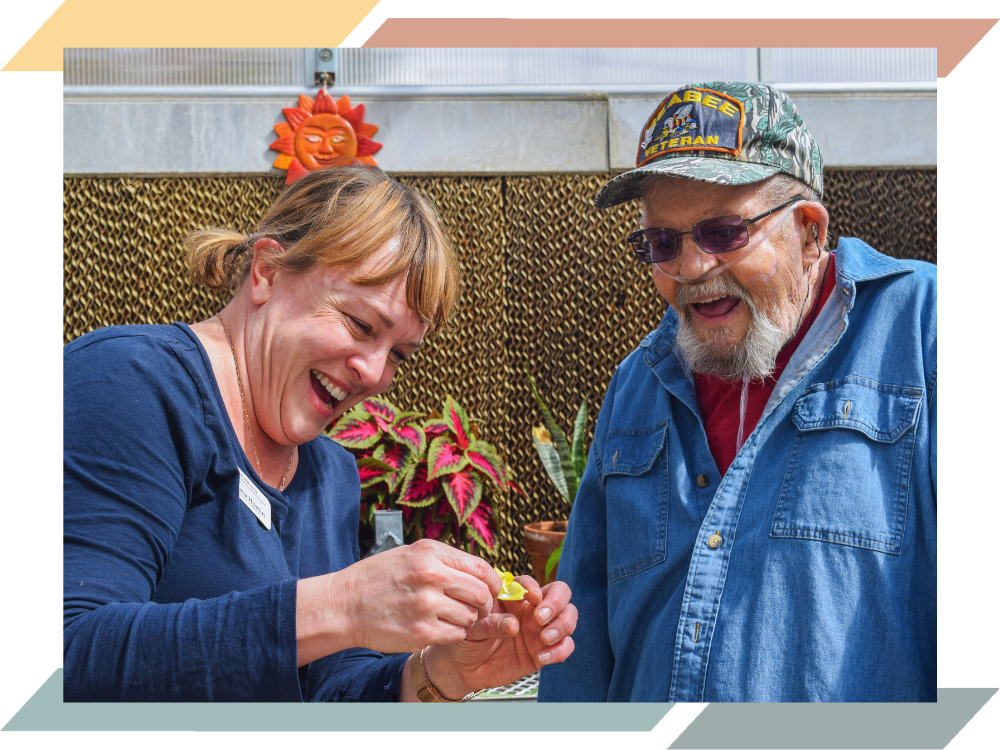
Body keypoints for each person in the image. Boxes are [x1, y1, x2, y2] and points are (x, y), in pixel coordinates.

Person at [63, 165, 577, 702]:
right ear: (265, 270)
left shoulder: (329, 473)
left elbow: (330, 693)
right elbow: (65, 659)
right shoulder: (128, 385)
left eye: (399, 354)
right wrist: (343, 605)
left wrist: (439, 675)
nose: (375, 374)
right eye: (360, 325)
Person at [538, 82, 935, 702]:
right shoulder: (637, 383)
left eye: (724, 233)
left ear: (809, 232)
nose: (691, 269)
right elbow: (581, 644)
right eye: (662, 243)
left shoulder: (927, 328)